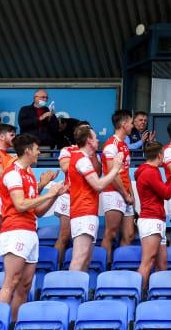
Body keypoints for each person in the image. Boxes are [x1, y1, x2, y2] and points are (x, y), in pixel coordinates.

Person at [0, 134, 66, 321]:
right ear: (27, 151)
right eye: (37, 149)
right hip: (15, 231)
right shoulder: (13, 173)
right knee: (10, 282)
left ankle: (13, 326)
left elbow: (38, 212)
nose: (39, 152)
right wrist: (47, 191)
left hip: (30, 231)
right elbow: (20, 205)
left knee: (25, 285)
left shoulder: (28, 174)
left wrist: (55, 195)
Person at [68, 126, 124, 272]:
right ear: (88, 140)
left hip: (87, 212)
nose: (98, 140)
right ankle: (70, 293)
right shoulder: (81, 159)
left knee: (85, 260)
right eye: (95, 137)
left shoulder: (84, 158)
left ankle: (78, 292)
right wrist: (115, 169)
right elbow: (98, 185)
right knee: (80, 259)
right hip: (83, 212)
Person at [134, 141, 171, 288]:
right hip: (151, 220)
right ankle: (137, 297)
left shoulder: (150, 171)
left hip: (156, 219)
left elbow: (162, 190)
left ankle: (159, 296)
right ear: (160, 155)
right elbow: (167, 193)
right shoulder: (150, 172)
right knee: (147, 261)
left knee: (162, 263)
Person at [52, 121, 95, 264]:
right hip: (67, 195)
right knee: (64, 235)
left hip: (84, 199)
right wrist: (80, 157)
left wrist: (91, 154)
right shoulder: (67, 150)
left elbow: (98, 172)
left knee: (84, 241)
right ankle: (56, 267)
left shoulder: (92, 152)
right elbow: (65, 168)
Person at [101, 110, 135, 263]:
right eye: (131, 122)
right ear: (123, 124)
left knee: (129, 235)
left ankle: (119, 269)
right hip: (113, 193)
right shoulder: (111, 145)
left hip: (125, 194)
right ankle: (104, 270)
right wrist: (125, 194)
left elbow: (125, 173)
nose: (132, 126)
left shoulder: (124, 146)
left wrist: (131, 194)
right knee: (111, 233)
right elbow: (112, 174)